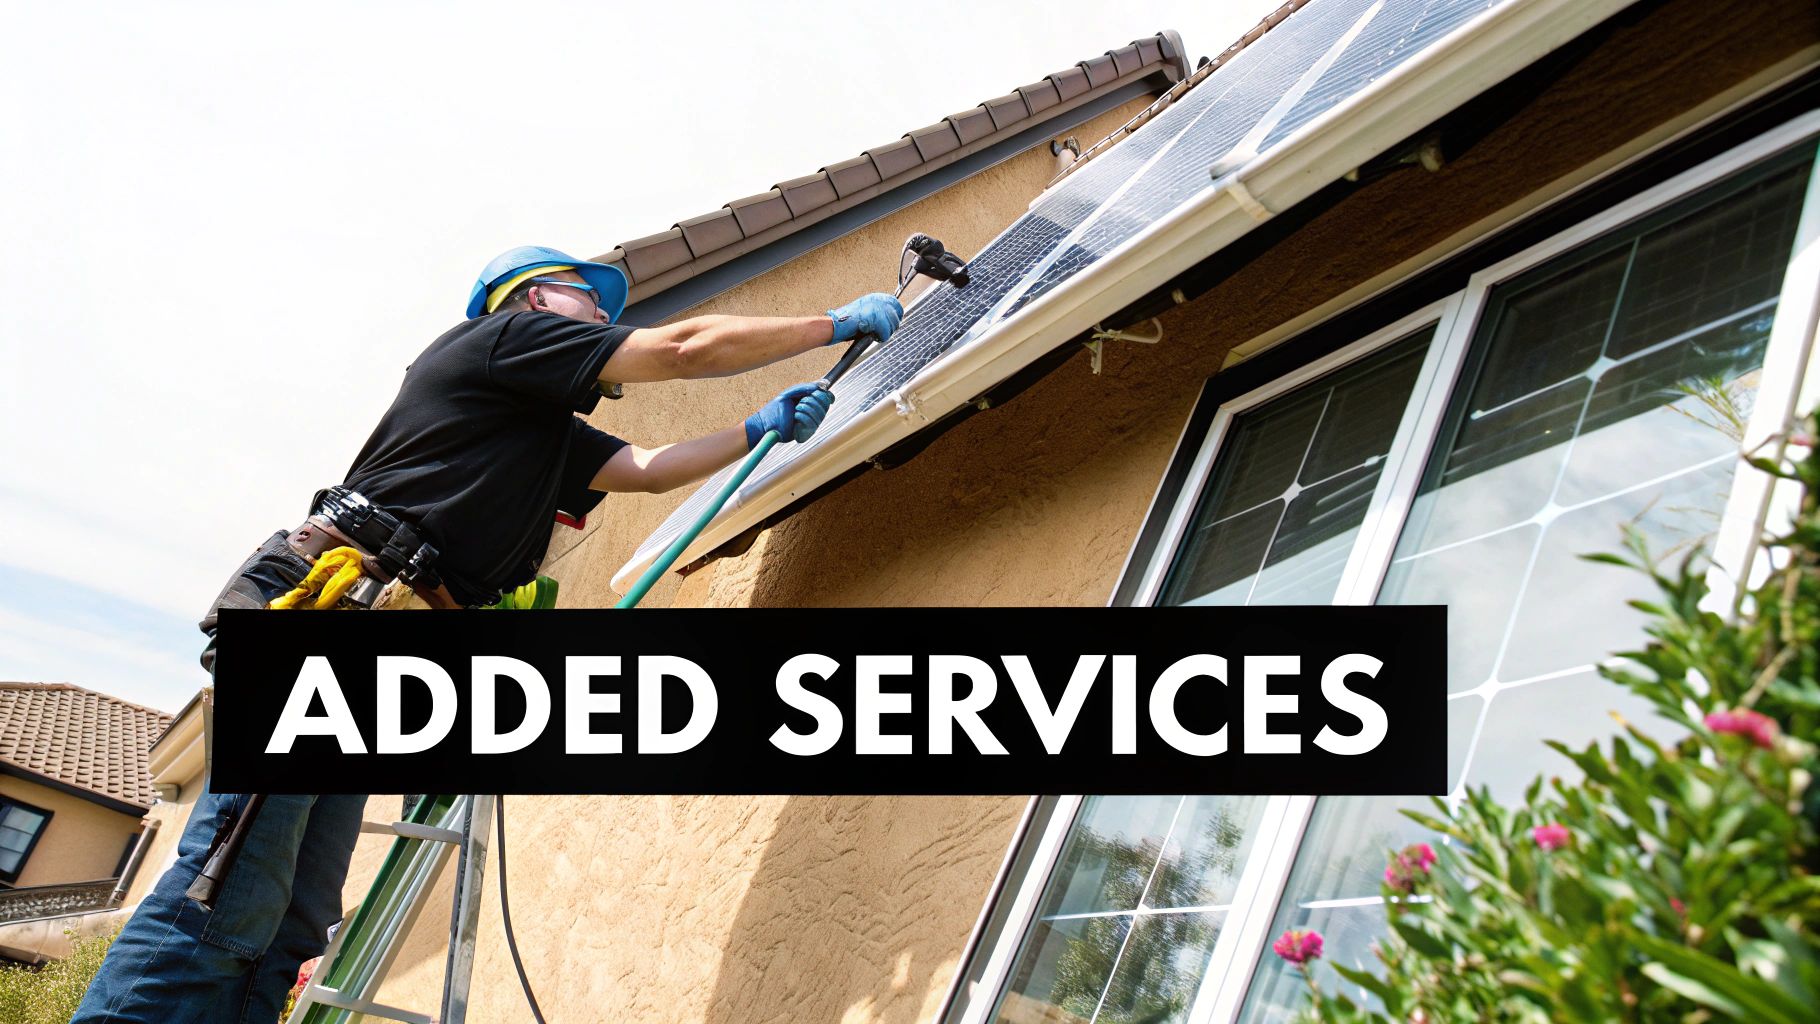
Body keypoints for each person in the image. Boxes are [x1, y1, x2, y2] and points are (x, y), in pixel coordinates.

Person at [74, 245, 904, 1022]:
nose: (605, 318)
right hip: (333, 609)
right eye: (590, 300)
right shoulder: (496, 340)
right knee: (231, 881)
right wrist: (833, 324)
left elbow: (647, 470)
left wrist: (755, 430)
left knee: (297, 913)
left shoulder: (545, 432)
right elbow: (681, 348)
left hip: (384, 640)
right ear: (536, 300)